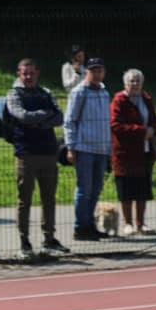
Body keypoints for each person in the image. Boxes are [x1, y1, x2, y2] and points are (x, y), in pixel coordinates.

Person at [5, 59, 70, 259]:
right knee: (24, 200)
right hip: (26, 154)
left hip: (49, 152)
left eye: (32, 73)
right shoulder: (14, 94)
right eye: (25, 73)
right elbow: (21, 116)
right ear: (19, 74)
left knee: (49, 199)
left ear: (37, 73)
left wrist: (38, 123)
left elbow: (59, 117)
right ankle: (24, 242)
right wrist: (44, 115)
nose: (28, 77)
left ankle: (49, 239)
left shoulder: (46, 93)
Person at [110, 69, 156, 236]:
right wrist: (141, 131)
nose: (135, 84)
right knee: (126, 189)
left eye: (138, 81)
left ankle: (141, 223)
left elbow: (155, 121)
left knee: (143, 188)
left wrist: (154, 130)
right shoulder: (119, 100)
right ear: (125, 83)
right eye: (132, 81)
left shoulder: (146, 99)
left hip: (145, 152)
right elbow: (116, 125)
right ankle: (127, 223)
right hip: (125, 153)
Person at [64, 57, 112, 241]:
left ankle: (90, 224)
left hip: (102, 149)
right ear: (87, 72)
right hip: (84, 148)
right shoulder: (79, 92)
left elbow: (106, 121)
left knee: (96, 189)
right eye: (93, 71)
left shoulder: (104, 92)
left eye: (100, 70)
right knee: (84, 189)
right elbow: (70, 121)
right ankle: (80, 227)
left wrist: (109, 147)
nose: (97, 74)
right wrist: (71, 147)